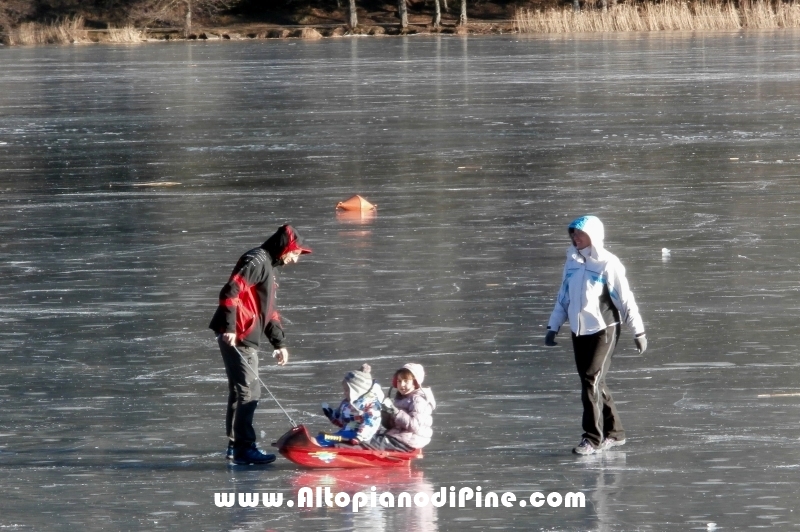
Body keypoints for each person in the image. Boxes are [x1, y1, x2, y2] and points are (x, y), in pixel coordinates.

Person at [544, 215, 647, 456]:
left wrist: (638, 331)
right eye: (572, 234)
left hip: (604, 329)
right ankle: (616, 432)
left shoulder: (608, 264)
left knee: (591, 380)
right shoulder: (571, 262)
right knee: (594, 382)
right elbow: (564, 297)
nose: (574, 238)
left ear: (593, 236)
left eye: (579, 233)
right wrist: (553, 326)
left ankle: (593, 438)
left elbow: (626, 299)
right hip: (579, 331)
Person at [209, 224, 311, 465]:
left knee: (240, 391)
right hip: (239, 336)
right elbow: (230, 290)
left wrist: (279, 343)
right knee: (248, 392)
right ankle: (244, 448)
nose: (295, 260)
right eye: (295, 253)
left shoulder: (267, 267)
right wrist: (230, 327)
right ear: (285, 247)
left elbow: (268, 311)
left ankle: (236, 445)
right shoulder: (256, 260)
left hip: (244, 335)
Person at [368, 363, 436, 452]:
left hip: (407, 442)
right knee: (367, 437)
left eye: (406, 381)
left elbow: (414, 425)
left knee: (367, 442)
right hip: (399, 436)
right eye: (399, 381)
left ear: (415, 382)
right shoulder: (401, 398)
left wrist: (396, 413)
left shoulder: (418, 400)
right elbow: (393, 425)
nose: (402, 384)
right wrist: (385, 413)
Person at [319, 364, 385, 446]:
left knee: (326, 443)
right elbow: (343, 421)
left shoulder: (371, 406)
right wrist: (331, 415)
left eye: (347, 390)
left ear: (356, 390)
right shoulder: (346, 403)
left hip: (358, 439)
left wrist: (359, 437)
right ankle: (308, 447)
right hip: (344, 434)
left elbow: (370, 424)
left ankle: (319, 452)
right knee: (320, 438)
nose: (344, 393)